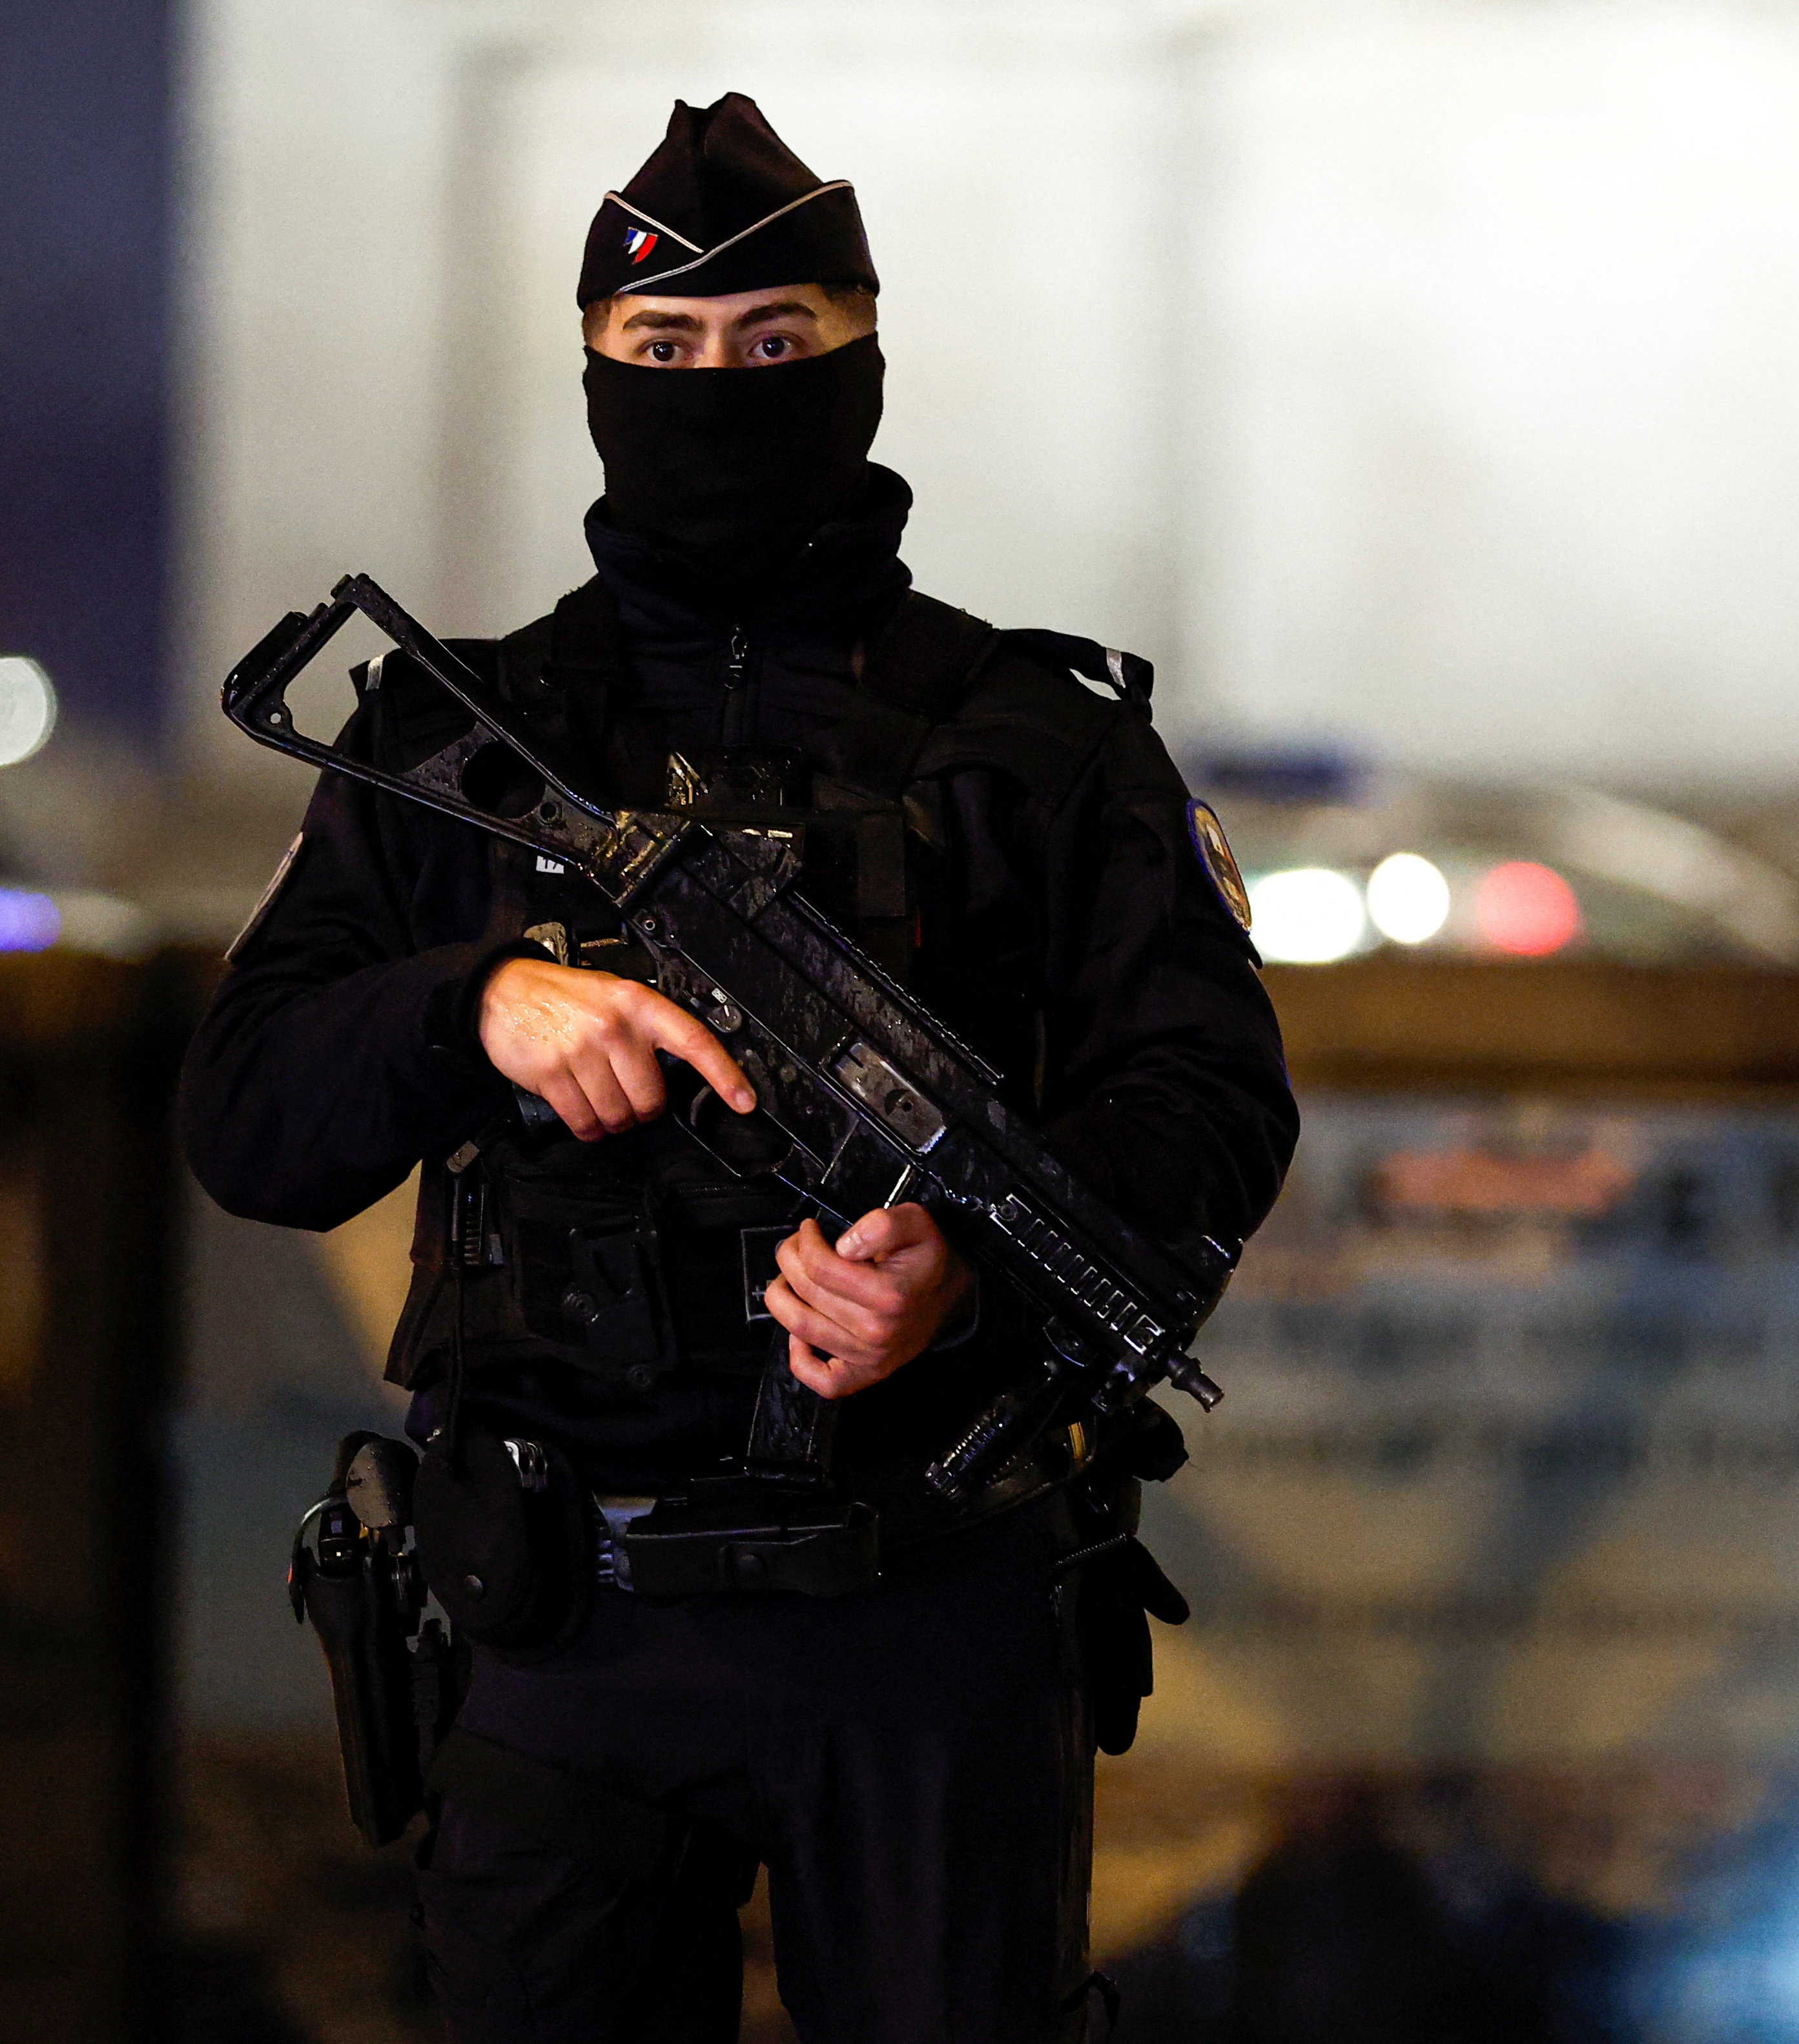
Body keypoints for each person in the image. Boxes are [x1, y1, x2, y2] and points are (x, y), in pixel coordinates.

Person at [182, 94, 1297, 2044]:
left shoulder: (1035, 743)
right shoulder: (464, 732)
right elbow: (252, 1120)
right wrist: (477, 1005)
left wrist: (956, 1279)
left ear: (863, 355)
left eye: (776, 343)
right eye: (665, 350)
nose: (719, 386)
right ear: (596, 373)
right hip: (564, 1613)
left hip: (925, 1609)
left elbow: (1206, 1104)